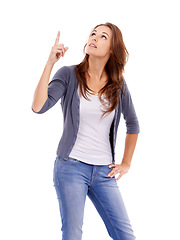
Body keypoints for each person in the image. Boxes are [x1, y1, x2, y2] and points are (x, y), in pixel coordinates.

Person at [32, 22, 140, 240]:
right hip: (71, 167)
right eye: (93, 33)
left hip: (104, 173)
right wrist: (49, 63)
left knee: (125, 235)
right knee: (72, 235)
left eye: (102, 36)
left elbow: (133, 124)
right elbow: (39, 107)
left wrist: (126, 163)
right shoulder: (69, 74)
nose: (94, 38)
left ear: (112, 49)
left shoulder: (118, 84)